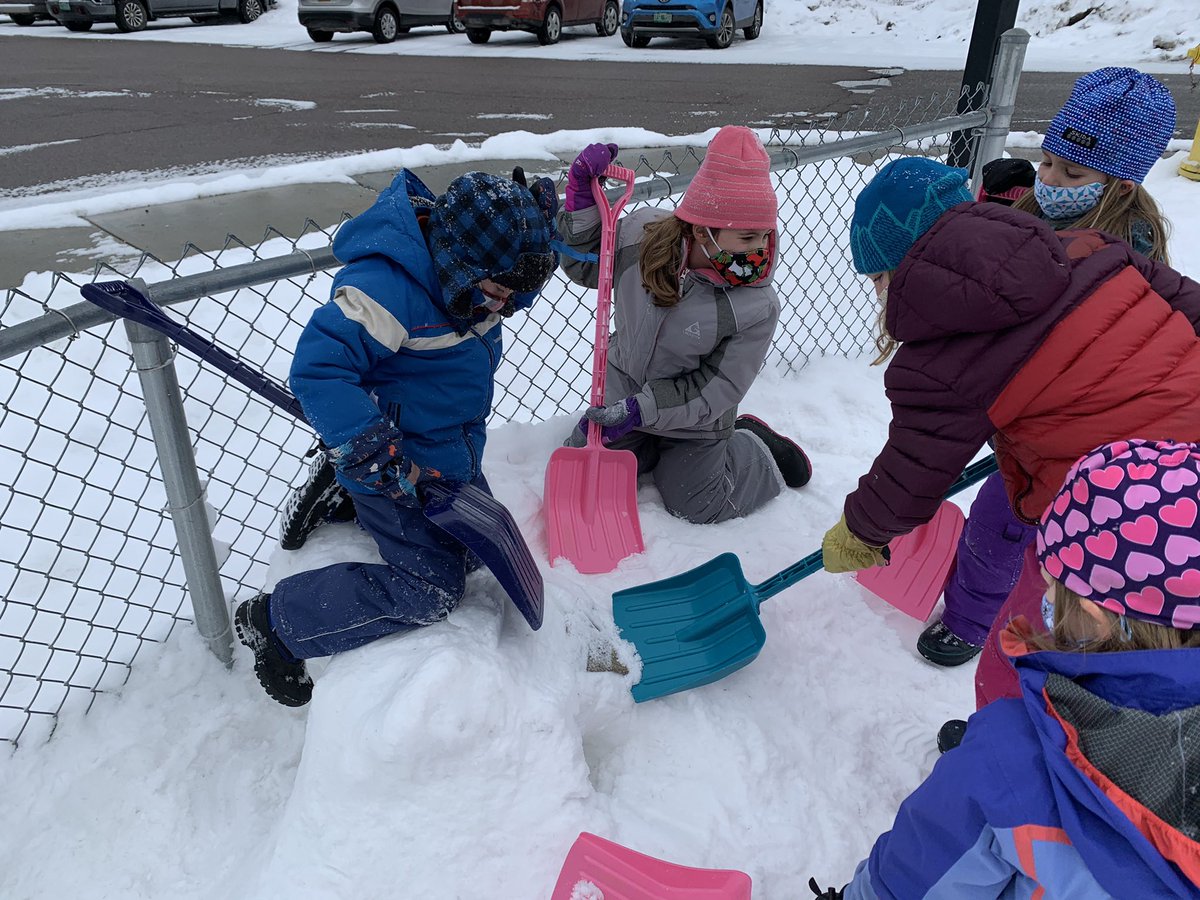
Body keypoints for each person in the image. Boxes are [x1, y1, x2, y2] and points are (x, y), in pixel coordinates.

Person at [818, 154, 1200, 705]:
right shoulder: (1090, 249)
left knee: (1031, 637)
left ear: (896, 272)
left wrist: (860, 533)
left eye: (877, 278)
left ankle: (1005, 741)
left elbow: (909, 478)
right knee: (1162, 662)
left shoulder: (938, 363)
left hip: (1113, 524)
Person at [808, 439, 1200, 899]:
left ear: (1093, 616)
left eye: (1052, 585)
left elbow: (907, 885)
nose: (1045, 597)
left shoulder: (1013, 759)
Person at [234, 167, 559, 707]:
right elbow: (320, 370)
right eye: (496, 292)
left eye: (513, 294)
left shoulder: (480, 275)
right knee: (431, 588)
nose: (502, 306)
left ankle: (340, 492)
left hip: (449, 451)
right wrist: (364, 444)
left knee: (474, 551)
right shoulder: (387, 294)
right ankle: (278, 622)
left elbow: (511, 273)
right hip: (392, 459)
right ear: (460, 264)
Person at [918, 67, 1177, 672]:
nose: (1053, 180)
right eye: (1049, 162)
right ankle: (969, 617)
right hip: (1023, 419)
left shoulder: (1131, 252)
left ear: (1120, 182)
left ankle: (1022, 642)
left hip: (1094, 437)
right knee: (996, 530)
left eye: (1073, 172)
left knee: (1048, 552)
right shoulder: (1037, 206)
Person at [556, 127, 811, 525]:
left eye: (764, 236)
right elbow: (583, 260)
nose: (759, 250)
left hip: (696, 418)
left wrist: (646, 411)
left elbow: (719, 385)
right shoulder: (641, 241)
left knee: (698, 504)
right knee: (588, 460)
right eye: (746, 237)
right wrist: (583, 200)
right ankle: (648, 447)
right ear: (700, 228)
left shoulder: (756, 305)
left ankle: (757, 448)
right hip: (626, 389)